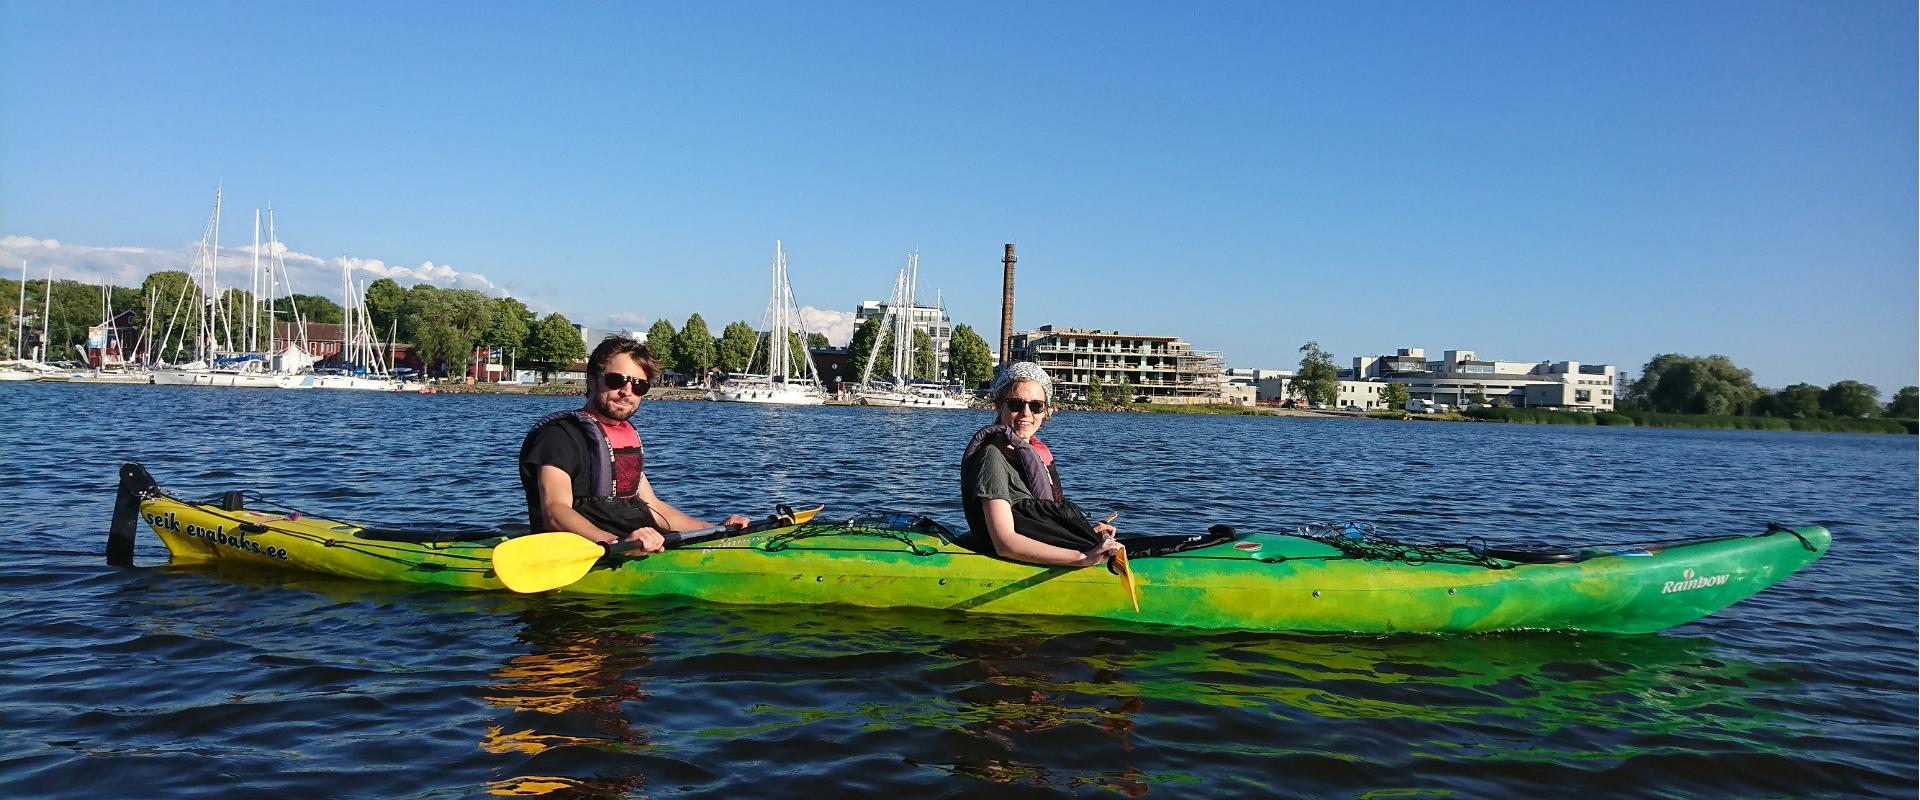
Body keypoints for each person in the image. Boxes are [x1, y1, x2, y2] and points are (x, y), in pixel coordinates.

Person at [519, 336, 751, 551]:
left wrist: (716, 530)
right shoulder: (557, 437)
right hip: (596, 551)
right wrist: (617, 544)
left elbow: (655, 508)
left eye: (639, 385)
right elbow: (555, 510)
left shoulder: (621, 439)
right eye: (616, 380)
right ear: (592, 381)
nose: (627, 391)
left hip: (637, 545)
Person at [957, 362, 1123, 567]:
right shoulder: (991, 457)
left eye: (1036, 406)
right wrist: (1083, 557)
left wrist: (1087, 533)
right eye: (1016, 404)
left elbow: (1038, 523)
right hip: (1007, 560)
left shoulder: (1031, 454)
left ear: (1046, 411)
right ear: (999, 406)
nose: (1027, 413)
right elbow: (1004, 542)